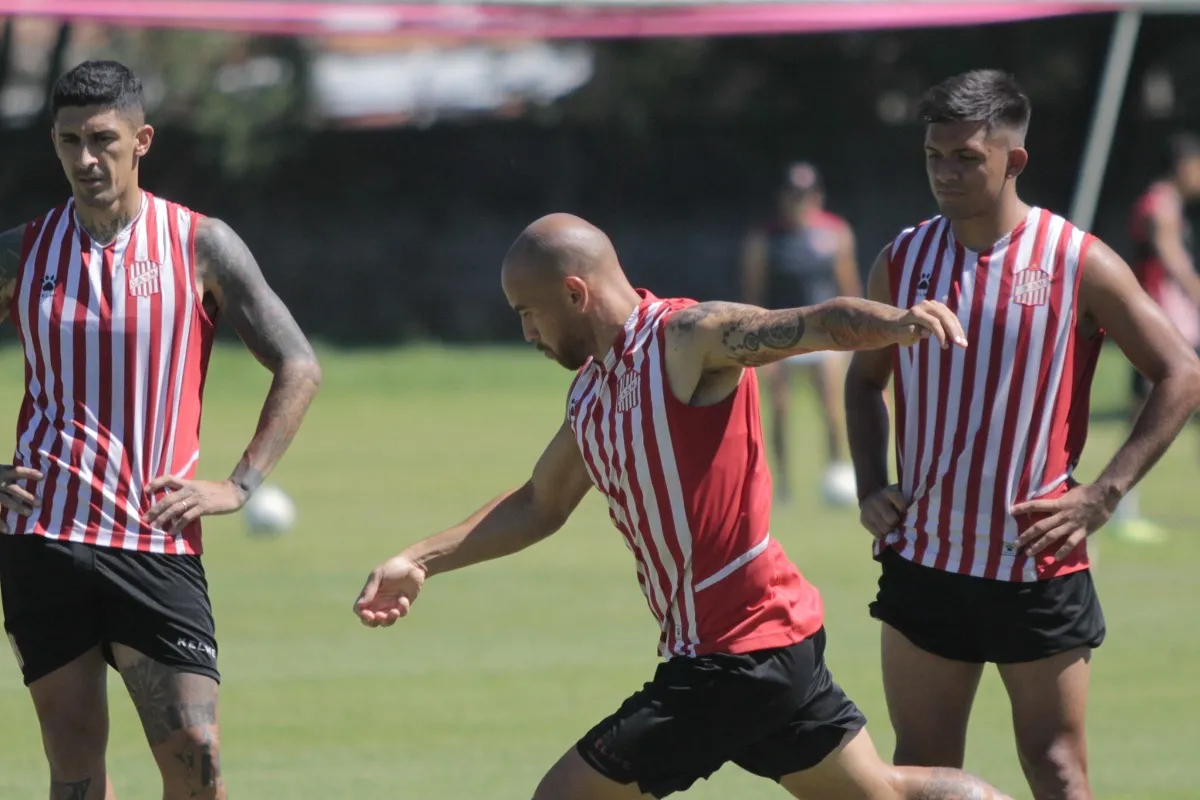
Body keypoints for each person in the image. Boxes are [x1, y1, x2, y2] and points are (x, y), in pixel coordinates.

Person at [353, 212, 1014, 800]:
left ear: (574, 293)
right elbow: (537, 503)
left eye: (528, 311)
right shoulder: (591, 397)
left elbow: (810, 325)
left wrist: (895, 323)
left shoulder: (686, 340)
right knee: (882, 796)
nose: (526, 331)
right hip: (758, 648)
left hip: (737, 656)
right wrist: (420, 559)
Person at [845, 69, 1200, 800]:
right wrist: (872, 484)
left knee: (1059, 768)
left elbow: (1181, 374)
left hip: (1036, 561)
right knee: (922, 768)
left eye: (966, 158)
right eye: (934, 156)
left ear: (1015, 160)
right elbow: (863, 382)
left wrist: (1103, 495)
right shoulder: (903, 260)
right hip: (927, 558)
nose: (946, 173)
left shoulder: (1077, 260)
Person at [0, 60, 322, 800]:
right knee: (75, 771)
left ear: (141, 139)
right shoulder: (23, 253)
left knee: (198, 760)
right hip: (43, 541)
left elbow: (298, 364)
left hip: (155, 540)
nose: (85, 158)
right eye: (68, 140)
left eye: (102, 139)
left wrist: (240, 486)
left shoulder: (199, 244)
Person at [740, 161, 861, 506]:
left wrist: (856, 335)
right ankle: (784, 485)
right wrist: (754, 340)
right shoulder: (764, 237)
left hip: (826, 335)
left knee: (833, 407)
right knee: (779, 407)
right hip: (778, 334)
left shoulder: (835, 232)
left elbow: (848, 284)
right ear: (783, 197)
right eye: (794, 195)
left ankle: (838, 471)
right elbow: (753, 291)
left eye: (806, 195)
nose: (800, 201)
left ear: (817, 196)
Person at [1111, 131, 1200, 542]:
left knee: (1145, 413)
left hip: (1167, 324)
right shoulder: (1161, 205)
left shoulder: (1166, 203)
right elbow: (1172, 260)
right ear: (1183, 165)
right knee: (1144, 415)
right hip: (1161, 326)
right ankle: (1121, 506)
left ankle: (1123, 506)